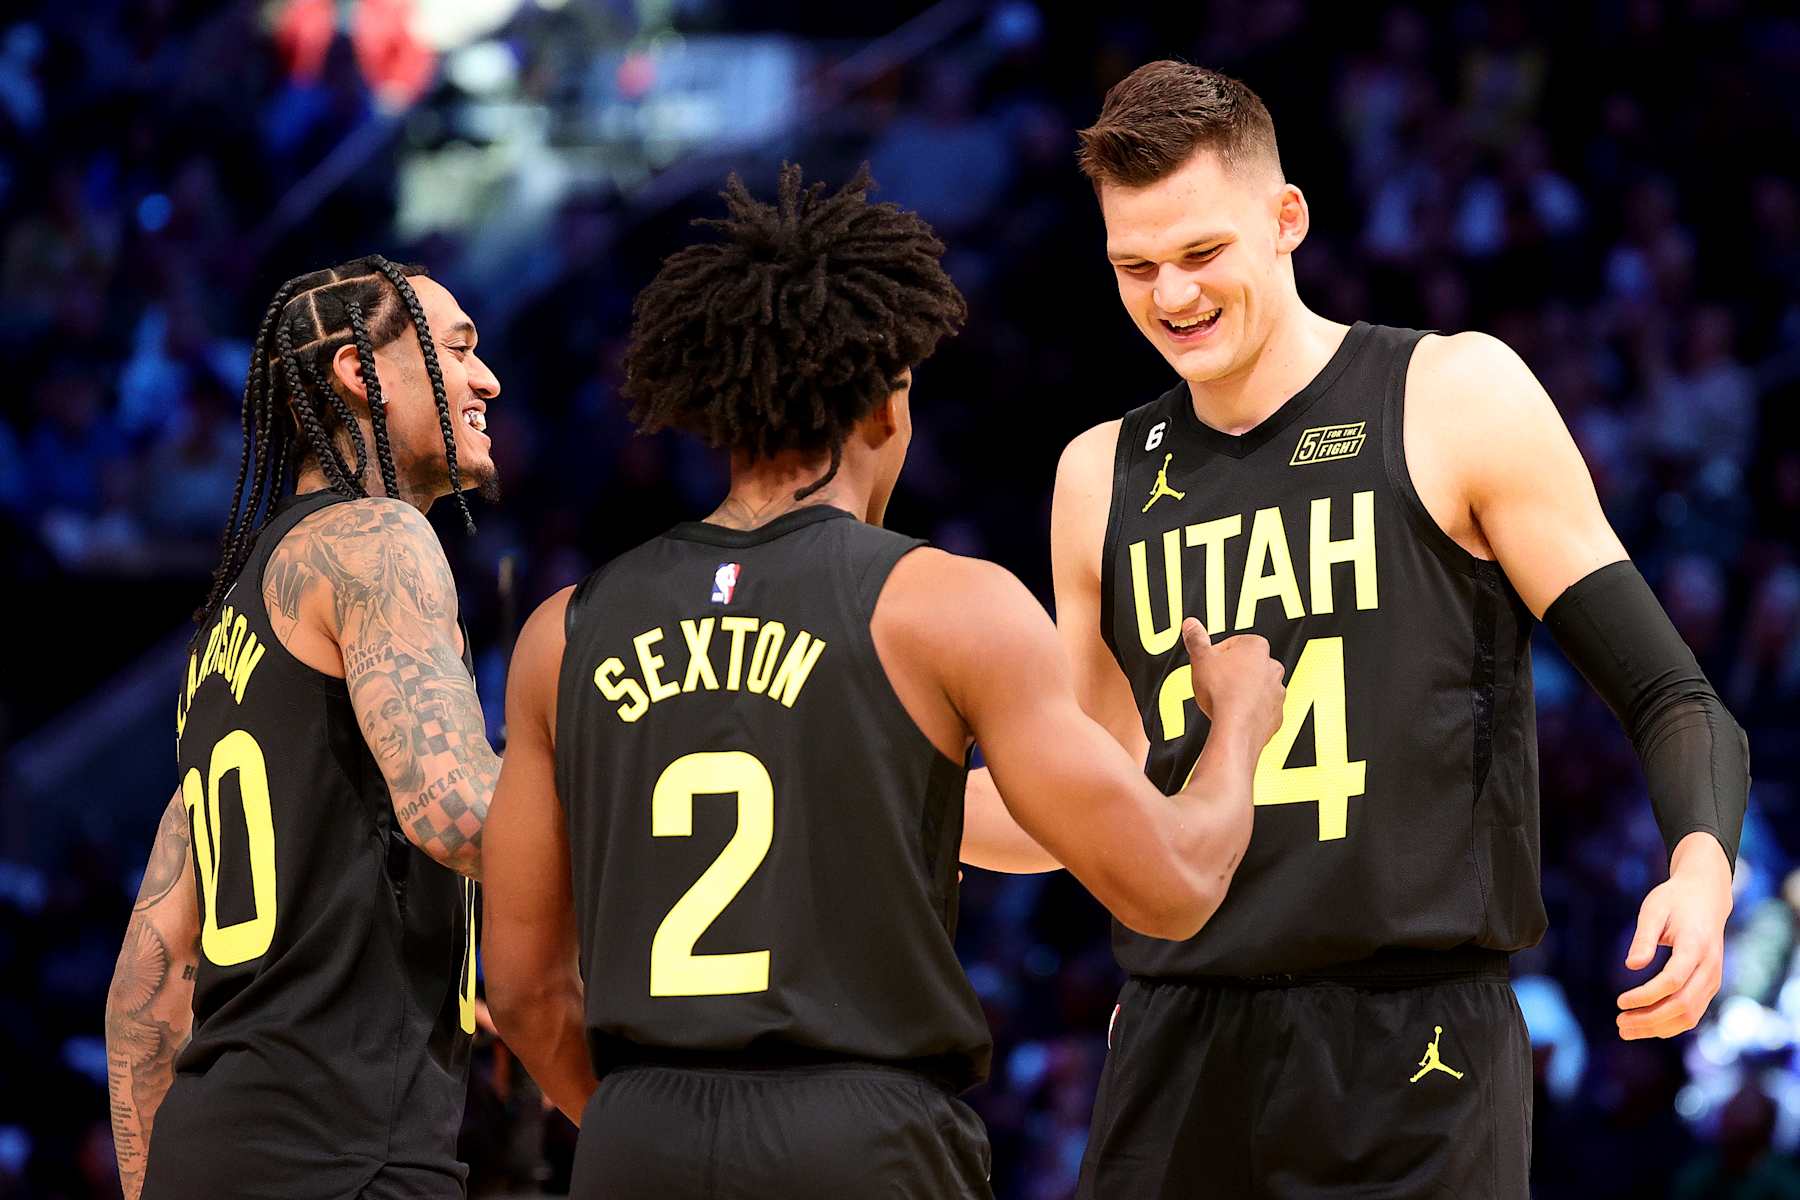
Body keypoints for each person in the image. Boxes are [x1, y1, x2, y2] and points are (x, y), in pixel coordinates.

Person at [1000, 62, 1747, 1198]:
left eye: (1202, 255)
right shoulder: (1095, 473)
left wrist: (1700, 867)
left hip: (1415, 1044)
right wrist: (865, 789)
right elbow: (1085, 798)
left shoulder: (1453, 394)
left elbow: (1672, 694)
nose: (1172, 297)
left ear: (1286, 217)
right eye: (1135, 268)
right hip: (1176, 1038)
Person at [479, 165, 1285, 1199]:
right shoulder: (943, 607)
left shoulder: (562, 633)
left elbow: (525, 988)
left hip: (643, 1131)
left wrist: (648, 1132)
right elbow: (1173, 888)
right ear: (883, 405)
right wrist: (1242, 728)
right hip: (857, 1133)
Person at [104, 255, 506, 1200]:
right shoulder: (379, 541)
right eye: (457, 351)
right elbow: (457, 814)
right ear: (361, 373)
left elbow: (145, 984)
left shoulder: (226, 641)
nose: (487, 380)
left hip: (210, 1153)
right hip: (344, 1151)